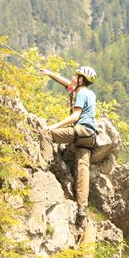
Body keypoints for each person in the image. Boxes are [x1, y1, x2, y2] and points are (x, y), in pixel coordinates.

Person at [42, 65, 98, 228]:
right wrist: (50, 72)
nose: (73, 78)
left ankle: (43, 167)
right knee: (83, 168)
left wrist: (53, 126)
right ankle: (82, 208)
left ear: (81, 79)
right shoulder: (88, 93)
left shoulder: (80, 94)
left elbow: (75, 116)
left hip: (80, 130)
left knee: (46, 134)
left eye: (75, 76)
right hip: (90, 136)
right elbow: (68, 84)